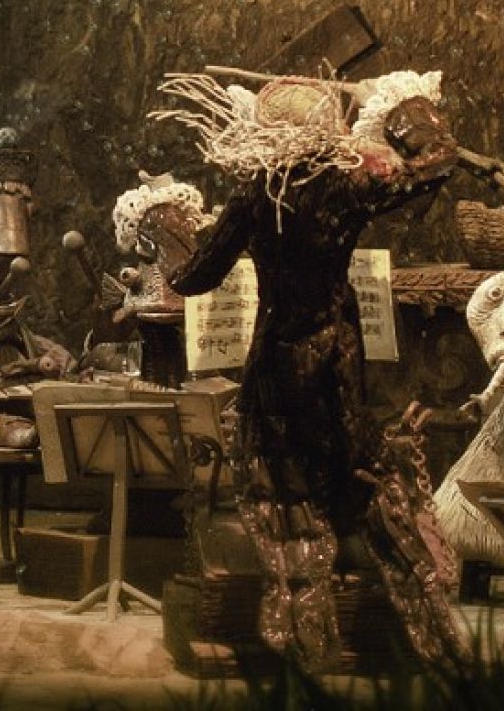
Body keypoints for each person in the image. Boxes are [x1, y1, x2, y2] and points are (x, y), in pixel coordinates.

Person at [156, 69, 466, 669]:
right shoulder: (349, 186)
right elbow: (438, 162)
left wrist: (168, 229)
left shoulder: (257, 194)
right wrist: (400, 109)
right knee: (361, 470)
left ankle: (307, 642)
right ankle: (429, 636)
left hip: (280, 355)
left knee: (284, 492)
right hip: (339, 351)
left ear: (265, 132)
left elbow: (192, 278)